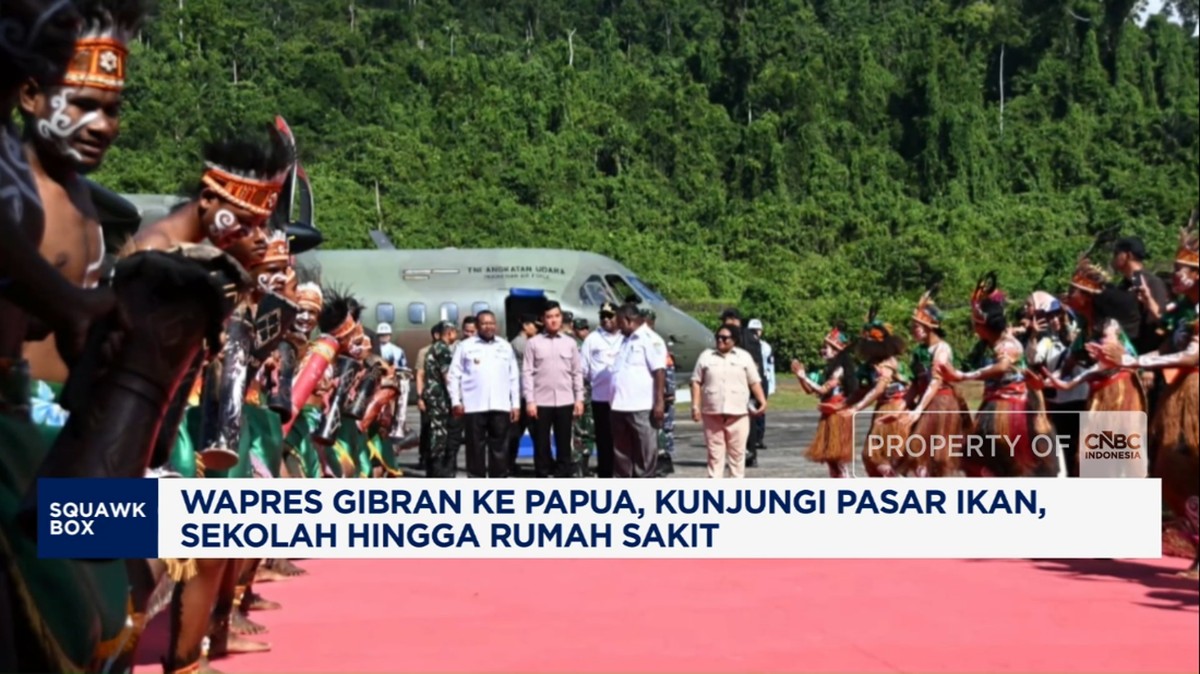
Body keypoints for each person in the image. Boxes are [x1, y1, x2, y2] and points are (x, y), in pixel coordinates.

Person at [1095, 222, 1198, 578]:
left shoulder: (1163, 291)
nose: (1178, 276)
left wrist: (1137, 361)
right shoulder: (1178, 308)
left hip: (1174, 384)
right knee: (1161, 463)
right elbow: (1164, 332)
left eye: (1185, 271)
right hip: (1163, 384)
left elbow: (1182, 350)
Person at [939, 273, 1057, 478]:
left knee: (1008, 459)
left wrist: (962, 376)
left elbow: (1002, 367)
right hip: (995, 405)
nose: (974, 329)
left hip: (1011, 409)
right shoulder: (997, 342)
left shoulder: (1007, 345)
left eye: (975, 325)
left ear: (982, 327)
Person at [893, 291, 970, 477]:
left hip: (941, 405)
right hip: (927, 404)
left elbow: (935, 381)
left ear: (929, 326)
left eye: (916, 326)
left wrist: (918, 409)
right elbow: (915, 384)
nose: (913, 329)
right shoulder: (919, 351)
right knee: (918, 460)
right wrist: (900, 407)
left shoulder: (942, 348)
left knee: (935, 459)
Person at [449, 310, 520, 477]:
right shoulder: (465, 346)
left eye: (492, 323)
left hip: (500, 405)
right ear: (477, 326)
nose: (489, 326)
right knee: (475, 448)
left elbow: (514, 377)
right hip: (474, 406)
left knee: (500, 448)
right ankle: (476, 483)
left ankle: (499, 482)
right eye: (484, 323)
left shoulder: (505, 346)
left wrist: (515, 404)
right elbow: (454, 375)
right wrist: (455, 401)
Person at [691, 325, 767, 478]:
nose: (720, 340)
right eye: (718, 337)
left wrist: (762, 401)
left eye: (725, 338)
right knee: (714, 456)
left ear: (734, 340)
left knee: (737, 456)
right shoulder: (706, 356)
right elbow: (695, 381)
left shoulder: (744, 357)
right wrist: (695, 406)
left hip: (738, 414)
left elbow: (754, 381)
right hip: (712, 413)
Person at [522, 300, 584, 477]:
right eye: (549, 317)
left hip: (565, 399)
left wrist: (579, 398)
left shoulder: (570, 343)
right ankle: (543, 474)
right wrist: (530, 401)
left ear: (561, 317)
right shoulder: (533, 343)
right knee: (541, 443)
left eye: (557, 316)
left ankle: (563, 474)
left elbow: (576, 372)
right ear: (543, 319)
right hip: (541, 400)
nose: (553, 320)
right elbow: (527, 373)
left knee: (564, 441)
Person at [849, 308, 910, 478]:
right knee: (870, 457)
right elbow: (863, 390)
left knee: (881, 456)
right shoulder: (870, 365)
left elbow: (879, 388)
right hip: (882, 408)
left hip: (894, 409)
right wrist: (845, 405)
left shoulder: (887, 363)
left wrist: (857, 408)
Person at [792, 323, 859, 477]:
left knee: (839, 459)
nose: (823, 350)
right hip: (828, 414)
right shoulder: (827, 369)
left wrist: (804, 377)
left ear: (836, 350)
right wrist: (800, 377)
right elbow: (810, 390)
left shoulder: (839, 370)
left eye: (826, 347)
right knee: (830, 459)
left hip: (838, 414)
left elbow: (823, 389)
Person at [609, 303, 666, 477]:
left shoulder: (650, 339)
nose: (618, 328)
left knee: (644, 454)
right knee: (621, 455)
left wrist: (659, 403)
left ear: (628, 320)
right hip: (619, 406)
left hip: (640, 407)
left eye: (619, 323)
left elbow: (659, 372)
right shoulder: (625, 340)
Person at [581, 302, 623, 477]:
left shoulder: (625, 337)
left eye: (610, 316)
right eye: (602, 316)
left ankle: (622, 473)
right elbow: (584, 368)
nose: (606, 320)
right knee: (604, 438)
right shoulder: (592, 339)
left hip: (623, 399)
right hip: (601, 398)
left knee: (622, 439)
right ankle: (605, 474)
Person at [720, 309, 766, 467]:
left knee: (748, 421)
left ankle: (750, 452)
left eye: (727, 321)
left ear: (734, 321)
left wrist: (755, 389)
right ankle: (736, 453)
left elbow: (756, 364)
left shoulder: (747, 336)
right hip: (729, 386)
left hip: (747, 385)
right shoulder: (725, 335)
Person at [424, 321, 462, 477]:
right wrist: (456, 398)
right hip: (440, 397)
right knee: (440, 432)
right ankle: (439, 470)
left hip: (434, 396)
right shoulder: (443, 350)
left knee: (436, 430)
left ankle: (435, 468)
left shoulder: (434, 348)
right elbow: (448, 377)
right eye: (455, 332)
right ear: (450, 332)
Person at [570, 316, 595, 475]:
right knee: (580, 431)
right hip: (579, 395)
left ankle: (583, 466)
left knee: (588, 430)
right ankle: (578, 466)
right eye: (580, 329)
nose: (584, 332)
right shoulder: (575, 346)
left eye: (585, 328)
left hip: (589, 395)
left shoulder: (588, 345)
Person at [748, 318, 774, 450]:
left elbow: (770, 366)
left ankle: (759, 437)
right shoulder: (745, 345)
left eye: (757, 330)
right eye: (753, 330)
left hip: (763, 379)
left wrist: (772, 384)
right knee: (750, 408)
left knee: (761, 410)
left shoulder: (766, 347)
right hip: (751, 379)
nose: (755, 333)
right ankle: (751, 437)